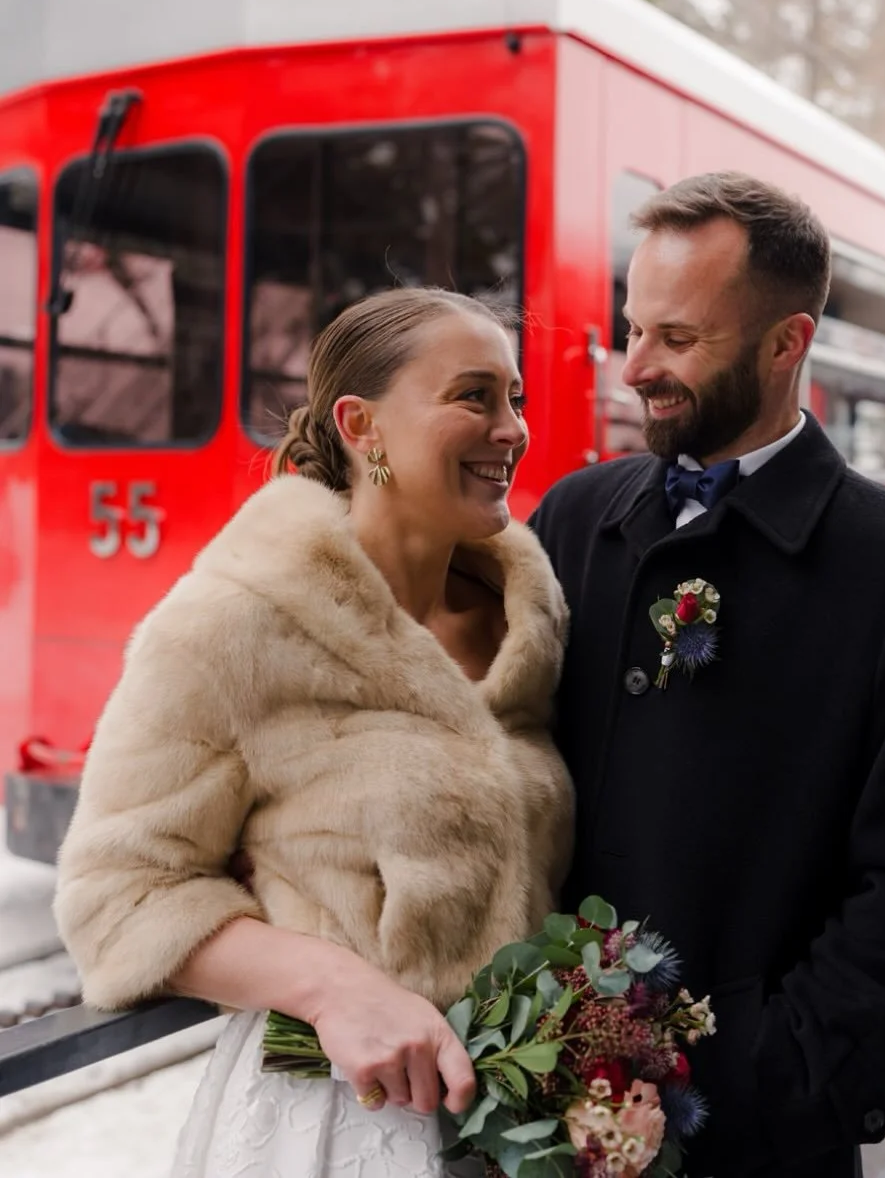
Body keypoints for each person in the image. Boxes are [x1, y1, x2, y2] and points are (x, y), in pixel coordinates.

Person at [528, 172, 885, 1178]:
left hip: (754, 1141)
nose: (635, 370)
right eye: (631, 329)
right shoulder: (572, 518)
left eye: (678, 339)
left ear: (787, 343)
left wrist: (764, 1075)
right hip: (537, 1112)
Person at [54, 288, 575, 1178]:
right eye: (474, 396)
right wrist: (335, 985)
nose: (513, 429)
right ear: (361, 425)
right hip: (337, 1123)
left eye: (516, 399)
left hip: (524, 1129)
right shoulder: (236, 624)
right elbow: (116, 895)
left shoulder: (536, 623)